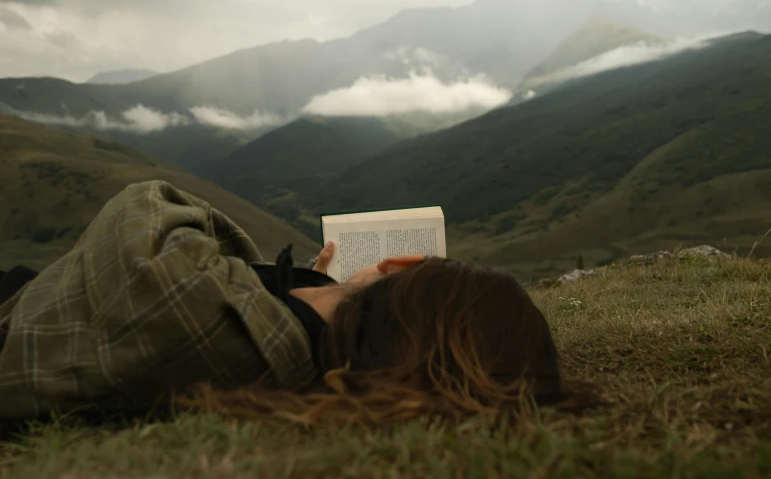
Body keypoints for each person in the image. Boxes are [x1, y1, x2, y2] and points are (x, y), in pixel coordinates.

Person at [0, 180, 563, 424]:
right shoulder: (293, 360)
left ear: (398, 264)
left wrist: (285, 289)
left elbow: (145, 203)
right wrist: (300, 292)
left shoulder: (190, 297)